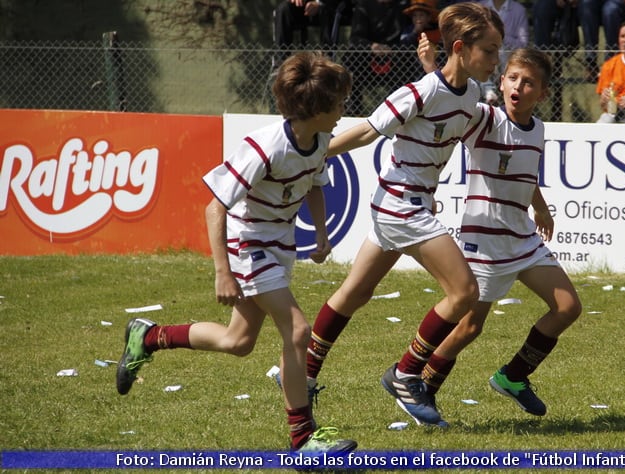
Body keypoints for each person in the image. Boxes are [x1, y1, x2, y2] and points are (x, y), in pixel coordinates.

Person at [115, 51, 358, 453]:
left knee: (237, 341)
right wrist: (222, 271)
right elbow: (215, 205)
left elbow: (315, 184)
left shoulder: (319, 141)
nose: (343, 110)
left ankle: (149, 336)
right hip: (249, 245)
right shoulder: (264, 147)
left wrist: (320, 235)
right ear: (315, 108)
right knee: (297, 330)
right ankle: (304, 439)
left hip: (279, 245)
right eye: (338, 103)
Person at [305, 2, 505, 426]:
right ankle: (406, 373)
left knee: (354, 293)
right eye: (488, 50)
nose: (495, 60)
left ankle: (301, 374)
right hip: (402, 206)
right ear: (460, 48)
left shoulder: (469, 95)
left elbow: (455, 115)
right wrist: (311, 153)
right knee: (464, 292)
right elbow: (364, 130)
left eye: (497, 50)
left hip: (402, 204)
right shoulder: (419, 93)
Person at [416, 39, 583, 417]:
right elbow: (448, 103)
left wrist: (541, 209)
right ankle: (424, 384)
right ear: (502, 81)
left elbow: (527, 176)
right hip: (486, 241)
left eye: (527, 83)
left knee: (567, 306)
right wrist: (431, 67)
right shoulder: (486, 119)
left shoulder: (538, 128)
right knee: (470, 327)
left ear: (542, 93)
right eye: (512, 78)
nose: (517, 88)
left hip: (522, 238)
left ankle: (513, 376)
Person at [346, 0, 412, 117]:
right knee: (352, 56)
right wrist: (372, 46)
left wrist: (391, 49)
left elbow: (406, 35)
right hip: (367, 57)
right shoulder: (363, 6)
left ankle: (397, 110)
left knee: (405, 58)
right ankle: (354, 109)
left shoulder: (402, 5)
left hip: (395, 54)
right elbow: (355, 38)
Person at [478, 0, 530, 105]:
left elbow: (523, 43)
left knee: (501, 52)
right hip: (486, 51)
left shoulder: (519, 10)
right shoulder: (480, 7)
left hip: (508, 54)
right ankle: (489, 91)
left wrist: (501, 35)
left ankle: (503, 93)